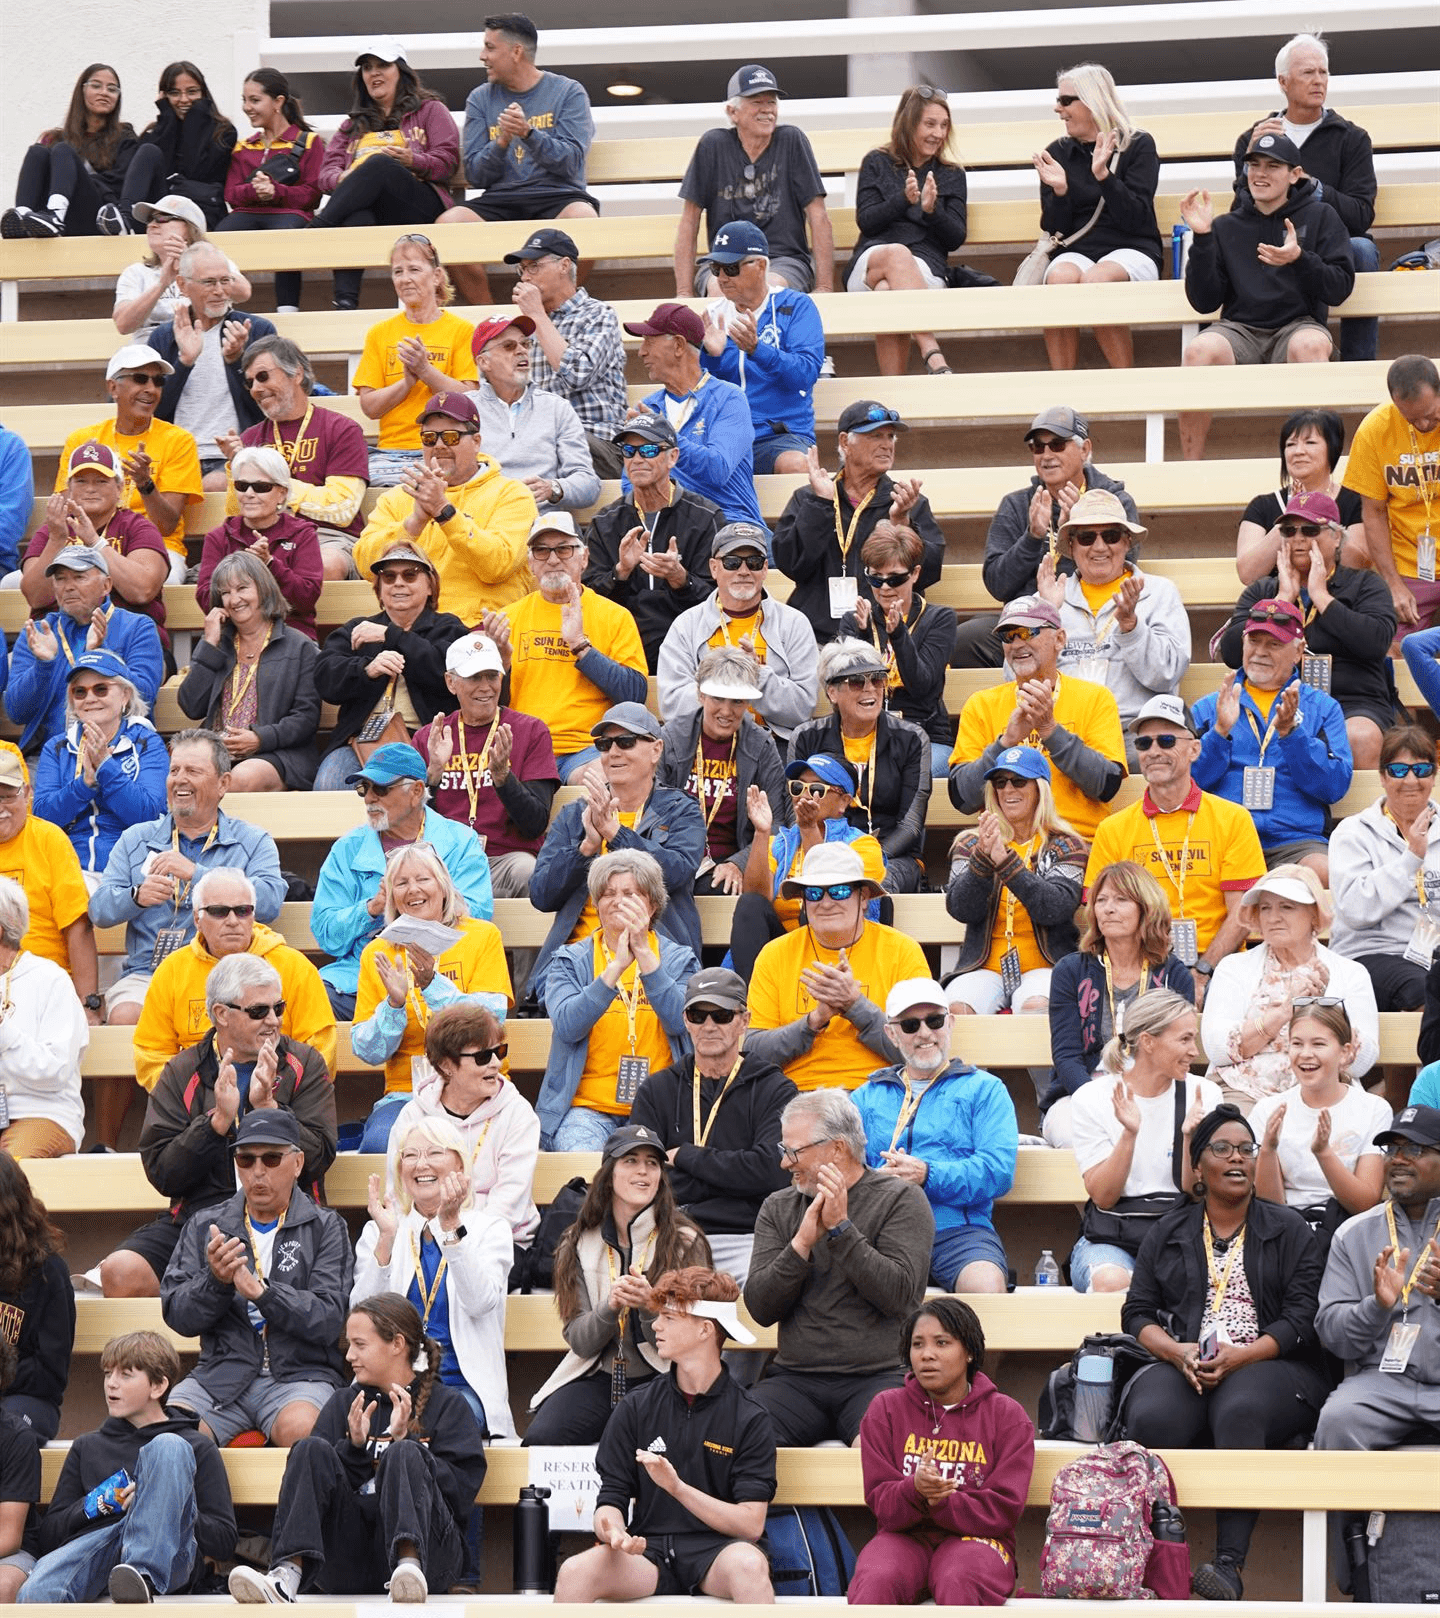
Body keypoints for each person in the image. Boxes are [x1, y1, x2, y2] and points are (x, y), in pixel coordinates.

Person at [1122, 1104, 1331, 1601]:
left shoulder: (1289, 1229)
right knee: (1152, 1415)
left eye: (1246, 1149)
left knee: (1240, 1408)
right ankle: (1157, 1557)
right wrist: (1176, 1352)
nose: (1237, 1158)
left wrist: (1242, 1355)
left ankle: (1228, 1565)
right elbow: (1136, 1313)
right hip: (1187, 1358)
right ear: (1198, 1167)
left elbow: (1303, 1320)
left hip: (1272, 1361)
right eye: (1221, 1149)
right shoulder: (1169, 1231)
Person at [101, 949, 337, 1302]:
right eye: (259, 1011)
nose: (273, 1020)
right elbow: (163, 1173)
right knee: (120, 1272)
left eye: (278, 1008)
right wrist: (216, 1124)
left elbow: (318, 1157)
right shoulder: (183, 1070)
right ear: (221, 1014)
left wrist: (269, 1108)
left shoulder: (303, 1063)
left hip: (288, 1215)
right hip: (202, 1216)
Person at [226, 1292, 485, 1603]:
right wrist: (354, 1448)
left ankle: (408, 1565)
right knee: (310, 1448)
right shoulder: (344, 1403)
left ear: (397, 1345)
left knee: (403, 1452)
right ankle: (286, 1576)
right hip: (352, 1560)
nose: (349, 1356)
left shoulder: (448, 1405)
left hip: (432, 1560)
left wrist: (409, 1444)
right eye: (349, 1345)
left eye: (360, 1345)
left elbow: (462, 1492)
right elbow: (320, 1489)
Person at [552, 1266, 776, 1606]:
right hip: (649, 1553)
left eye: (669, 1318)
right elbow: (611, 1499)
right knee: (575, 1571)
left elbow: (749, 1525)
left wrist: (677, 1488)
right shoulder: (637, 1406)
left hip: (719, 1553)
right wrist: (613, 1532)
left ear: (705, 1330)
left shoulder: (749, 1416)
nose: (655, 1325)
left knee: (749, 1565)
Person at [745, 1088, 933, 1444]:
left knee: (882, 1446)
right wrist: (800, 1245)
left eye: (794, 1151)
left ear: (837, 1149)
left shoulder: (901, 1199)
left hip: (879, 1376)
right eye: (783, 1150)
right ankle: (801, 1506)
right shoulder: (779, 1206)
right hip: (795, 1379)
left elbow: (901, 1299)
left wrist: (842, 1230)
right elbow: (760, 1308)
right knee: (740, 1438)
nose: (785, 1163)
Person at [161, 1108, 354, 1447]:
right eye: (246, 1160)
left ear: (297, 1164)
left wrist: (265, 1294)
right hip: (220, 1377)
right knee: (170, 1436)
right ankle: (213, 1504)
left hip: (299, 1378)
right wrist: (215, 1283)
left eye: (272, 1158)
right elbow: (177, 1313)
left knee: (303, 1432)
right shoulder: (207, 1224)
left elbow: (329, 1318)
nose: (258, 1171)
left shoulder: (326, 1227)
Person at [15, 1330, 235, 1605]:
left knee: (168, 1445)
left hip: (172, 1556)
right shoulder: (88, 1446)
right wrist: (96, 1503)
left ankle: (142, 1575)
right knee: (36, 1592)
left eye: (125, 1375)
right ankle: (134, 1579)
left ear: (158, 1387)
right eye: (108, 1374)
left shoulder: (195, 1445)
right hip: (101, 1549)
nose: (111, 1385)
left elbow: (224, 1540)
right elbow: (49, 1537)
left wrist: (163, 1502)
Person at [91, 728, 285, 1035]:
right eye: (174, 770)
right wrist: (136, 896)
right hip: (150, 972)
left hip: (226, 971)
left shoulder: (252, 840)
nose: (180, 779)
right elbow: (99, 910)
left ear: (223, 783)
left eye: (193, 771)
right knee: (126, 1016)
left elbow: (271, 902)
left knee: (234, 1016)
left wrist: (197, 875)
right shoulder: (135, 839)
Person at [526, 1124, 711, 1445]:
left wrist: (649, 1307)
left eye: (652, 1163)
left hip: (665, 1378)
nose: (643, 1171)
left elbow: (695, 1340)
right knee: (542, 1440)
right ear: (609, 1173)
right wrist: (610, 1306)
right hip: (598, 1376)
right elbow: (581, 1342)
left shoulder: (685, 1241)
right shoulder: (577, 1241)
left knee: (663, 1447)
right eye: (630, 1160)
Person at [849, 1297, 1034, 1607]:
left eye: (942, 1343)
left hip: (980, 1540)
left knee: (958, 1576)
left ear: (970, 1352)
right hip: (906, 1536)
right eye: (917, 1344)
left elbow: (1003, 1510)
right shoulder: (886, 1409)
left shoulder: (1007, 1416)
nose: (927, 1355)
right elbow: (882, 1503)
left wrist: (942, 1499)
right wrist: (915, 1489)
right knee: (877, 1578)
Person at [1178, 134, 1354, 461]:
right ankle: (1191, 466)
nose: (1261, 173)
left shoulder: (1321, 216)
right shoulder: (1226, 225)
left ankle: (1323, 467)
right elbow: (1203, 302)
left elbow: (1340, 288)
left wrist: (1299, 258)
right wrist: (1202, 239)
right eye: (1254, 165)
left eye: (1273, 166)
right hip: (1239, 330)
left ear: (1295, 174)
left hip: (1298, 326)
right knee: (1198, 350)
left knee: (1311, 346)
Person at [1083, 694, 1266, 989]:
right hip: (1140, 967)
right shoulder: (1111, 829)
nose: (1153, 751)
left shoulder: (1233, 818)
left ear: (1194, 749)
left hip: (1218, 965)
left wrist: (1203, 971)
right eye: (1144, 743)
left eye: (1166, 741)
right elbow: (1104, 917)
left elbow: (1243, 913)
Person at [630, 967, 795, 1283]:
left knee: (773, 1286)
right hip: (673, 1231)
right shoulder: (656, 1090)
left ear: (744, 1020)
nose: (708, 1025)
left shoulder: (775, 1089)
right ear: (686, 1020)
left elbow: (772, 1172)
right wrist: (734, 1177)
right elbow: (641, 1178)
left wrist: (685, 1158)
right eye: (697, 1015)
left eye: (721, 1015)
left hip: (749, 1236)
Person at [528, 703, 705, 997]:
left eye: (626, 741)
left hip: (655, 954)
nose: (613, 752)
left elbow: (677, 872)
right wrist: (585, 849)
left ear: (656, 749)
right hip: (581, 960)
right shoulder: (575, 816)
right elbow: (542, 896)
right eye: (604, 744)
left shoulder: (681, 810)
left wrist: (615, 833)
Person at [854, 981, 1017, 1294]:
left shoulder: (985, 1089)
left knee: (985, 1285)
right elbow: (846, 1170)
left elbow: (998, 1172)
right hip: (878, 1232)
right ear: (891, 1033)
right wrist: (876, 1182)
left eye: (935, 1021)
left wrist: (927, 1174)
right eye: (911, 1025)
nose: (924, 1033)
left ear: (950, 1023)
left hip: (957, 1231)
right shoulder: (865, 1097)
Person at [356, 1118, 515, 1436]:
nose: (421, 1164)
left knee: (430, 1425)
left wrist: (451, 1226)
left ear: (459, 1164)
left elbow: (481, 1302)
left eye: (434, 1152)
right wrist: (386, 1242)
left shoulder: (490, 1229)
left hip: (460, 1387)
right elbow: (359, 1318)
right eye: (410, 1155)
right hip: (391, 1383)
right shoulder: (381, 1228)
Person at [312, 742, 493, 1020]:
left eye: (380, 789)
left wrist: (426, 898)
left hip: (447, 973)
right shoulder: (347, 848)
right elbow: (325, 933)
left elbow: (477, 915)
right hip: (365, 976)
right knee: (313, 998)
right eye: (364, 789)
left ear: (416, 791)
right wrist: (372, 908)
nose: (369, 798)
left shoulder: (460, 842)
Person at [351, 842, 511, 1154]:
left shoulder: (481, 936)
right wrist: (393, 1007)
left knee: (476, 1148)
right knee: (379, 1147)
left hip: (476, 1087)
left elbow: (492, 1019)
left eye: (423, 879)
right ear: (393, 897)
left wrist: (432, 985)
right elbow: (366, 1050)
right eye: (401, 883)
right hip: (405, 1094)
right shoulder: (378, 952)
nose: (413, 890)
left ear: (443, 885)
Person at [1230, 33, 1379, 362]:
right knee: (1221, 246)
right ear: (1283, 82)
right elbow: (1239, 214)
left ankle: (1359, 365)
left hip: (1328, 239)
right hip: (1271, 237)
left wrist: (1314, 187)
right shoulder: (1254, 138)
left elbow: (1361, 215)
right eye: (1308, 73)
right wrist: (1250, 167)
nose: (1319, 81)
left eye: (1323, 72)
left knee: (1362, 249)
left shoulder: (1351, 138)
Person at [1221, 490, 1396, 770]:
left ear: (1337, 536)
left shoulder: (1365, 584)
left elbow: (1375, 642)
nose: (1298, 538)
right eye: (1289, 531)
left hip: (1353, 700)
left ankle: (1354, 816)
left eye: (1310, 529)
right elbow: (1230, 650)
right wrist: (1281, 601)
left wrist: (1321, 596)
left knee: (1359, 737)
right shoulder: (1265, 591)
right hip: (1275, 700)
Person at [954, 406, 1140, 667]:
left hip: (1091, 618)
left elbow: (1121, 568)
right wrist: (1031, 538)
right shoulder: (1018, 504)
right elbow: (998, 585)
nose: (1047, 455)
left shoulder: (1114, 500)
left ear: (1085, 449)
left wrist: (1077, 530)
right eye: (1038, 447)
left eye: (1057, 445)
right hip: (1026, 624)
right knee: (962, 639)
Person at [130, 867, 337, 1096]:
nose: (232, 921)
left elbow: (321, 1049)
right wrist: (193, 1097)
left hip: (278, 1099)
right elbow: (151, 1054)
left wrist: (275, 1093)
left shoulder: (294, 967)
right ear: (197, 920)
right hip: (196, 1103)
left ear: (253, 915)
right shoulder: (172, 971)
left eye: (242, 911)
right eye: (219, 911)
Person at [540, 850, 698, 1152]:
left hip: (661, 1108)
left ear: (652, 904)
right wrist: (614, 970)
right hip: (587, 1109)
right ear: (597, 905)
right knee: (582, 1172)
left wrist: (646, 958)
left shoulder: (679, 959)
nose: (617, 900)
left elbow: (682, 1022)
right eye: (608, 893)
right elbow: (567, 1026)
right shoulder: (569, 961)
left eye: (630, 893)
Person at [1068, 988, 1221, 1293]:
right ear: (1149, 1042)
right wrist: (1129, 1134)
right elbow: (1103, 1196)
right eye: (1185, 1039)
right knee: (1111, 1281)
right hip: (1111, 1238)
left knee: (1191, 1282)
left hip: (1181, 1235)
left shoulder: (1203, 1094)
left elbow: (1197, 1192)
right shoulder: (1093, 1097)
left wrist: (1190, 1137)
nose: (1195, 1051)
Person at [439, 13, 599, 305]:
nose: (482, 56)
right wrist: (501, 141)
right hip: (502, 200)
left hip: (556, 196)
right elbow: (476, 174)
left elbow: (572, 162)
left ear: (516, 52)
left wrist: (528, 134)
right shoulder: (480, 98)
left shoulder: (568, 92)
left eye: (489, 47)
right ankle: (490, 319)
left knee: (585, 220)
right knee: (449, 223)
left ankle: (561, 309)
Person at [1191, 597, 1353, 884]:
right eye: (1254, 641)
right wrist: (1219, 733)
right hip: (1225, 838)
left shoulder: (1323, 708)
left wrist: (1293, 735)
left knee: (1325, 873)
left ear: (1298, 651)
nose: (1260, 652)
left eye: (1274, 644)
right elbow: (1188, 782)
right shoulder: (1210, 707)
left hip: (1294, 841)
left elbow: (1334, 786)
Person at [747, 843, 928, 1093]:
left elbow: (921, 1050)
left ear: (863, 897)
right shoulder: (774, 955)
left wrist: (855, 1006)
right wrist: (814, 1021)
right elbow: (753, 1053)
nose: (826, 902)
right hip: (796, 1095)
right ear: (803, 901)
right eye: (814, 893)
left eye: (840, 891)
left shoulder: (902, 951)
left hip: (878, 1092)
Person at [1313, 1103, 1440, 1455]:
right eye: (1393, 1149)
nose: (1398, 1159)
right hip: (1382, 1382)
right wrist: (1376, 1307)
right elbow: (1332, 1336)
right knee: (1338, 1421)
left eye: (1414, 1149)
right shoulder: (1352, 1233)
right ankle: (1350, 1514)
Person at [1201, 863, 1379, 1111]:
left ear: (1315, 915)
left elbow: (1362, 1063)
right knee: (1233, 1134)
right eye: (1265, 908)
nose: (1273, 918)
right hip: (1242, 1091)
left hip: (1323, 1092)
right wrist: (1284, 1012)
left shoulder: (1350, 973)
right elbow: (1217, 1049)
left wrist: (1324, 1009)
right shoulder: (1233, 967)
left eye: (1287, 907)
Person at [948, 595, 1126, 844]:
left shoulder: (1095, 698)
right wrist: (1006, 742)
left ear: (1060, 639)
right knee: (963, 854)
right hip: (1003, 843)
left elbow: (1105, 785)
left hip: (1073, 841)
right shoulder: (981, 704)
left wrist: (1050, 731)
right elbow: (963, 798)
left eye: (1027, 631)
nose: (1017, 643)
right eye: (1008, 636)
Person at [1044, 860, 1195, 1149]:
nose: (1107, 908)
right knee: (1079, 1137)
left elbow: (1177, 1050)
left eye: (1121, 900)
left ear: (1146, 908)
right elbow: (1066, 1056)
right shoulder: (1071, 970)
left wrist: (1142, 1097)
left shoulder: (1174, 974)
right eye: (1101, 900)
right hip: (1081, 1094)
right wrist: (1097, 1102)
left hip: (1153, 1091)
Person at [352, 391, 537, 621]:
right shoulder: (398, 497)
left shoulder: (511, 494)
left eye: (451, 437)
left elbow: (497, 566)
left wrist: (444, 512)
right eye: (429, 437)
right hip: (411, 628)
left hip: (479, 628)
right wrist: (414, 523)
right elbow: (365, 565)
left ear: (476, 441)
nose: (439, 445)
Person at [411, 631, 559, 914]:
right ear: (451, 682)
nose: (486, 687)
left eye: (492, 676)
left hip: (504, 860)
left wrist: (503, 779)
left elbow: (536, 823)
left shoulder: (530, 730)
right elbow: (411, 824)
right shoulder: (430, 737)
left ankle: (538, 961)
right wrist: (434, 775)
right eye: (474, 677)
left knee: (529, 872)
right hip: (444, 863)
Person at [773, 400, 945, 641]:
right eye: (876, 436)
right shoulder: (810, 498)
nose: (887, 445)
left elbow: (928, 573)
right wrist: (821, 505)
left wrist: (901, 523)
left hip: (885, 636)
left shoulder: (906, 501)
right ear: (845, 442)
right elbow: (791, 564)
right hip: (817, 637)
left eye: (890, 437)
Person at [312, 41, 461, 311]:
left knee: (379, 164)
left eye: (382, 65)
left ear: (401, 71)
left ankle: (317, 229)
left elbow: (448, 162)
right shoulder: (351, 125)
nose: (374, 73)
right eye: (367, 68)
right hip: (372, 209)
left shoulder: (430, 110)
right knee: (357, 216)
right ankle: (345, 302)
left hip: (419, 203)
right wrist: (342, 179)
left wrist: (411, 159)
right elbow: (325, 175)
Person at [1032, 63, 1161, 371]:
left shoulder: (1137, 144)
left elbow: (1137, 219)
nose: (1057, 109)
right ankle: (1062, 392)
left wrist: (1104, 176)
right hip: (1078, 250)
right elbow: (1055, 230)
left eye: (1065, 101)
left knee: (1096, 279)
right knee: (1060, 278)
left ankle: (1125, 381)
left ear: (1091, 102)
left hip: (1133, 247)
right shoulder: (1057, 152)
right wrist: (1060, 192)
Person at [385, 1002, 541, 1254]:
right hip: (425, 1240)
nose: (495, 1064)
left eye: (499, 1051)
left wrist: (457, 1240)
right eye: (482, 1057)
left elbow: (507, 1205)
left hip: (498, 1242)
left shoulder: (517, 1113)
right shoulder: (413, 1116)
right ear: (446, 1065)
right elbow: (398, 1193)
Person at [1040, 490, 1189, 753]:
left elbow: (1166, 675)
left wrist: (1132, 627)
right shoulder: (1048, 598)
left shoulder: (1160, 592)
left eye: (1110, 536)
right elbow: (1017, 680)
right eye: (1087, 537)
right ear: (1072, 546)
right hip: (1064, 731)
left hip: (1134, 733)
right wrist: (1045, 622)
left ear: (1127, 542)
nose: (1099, 547)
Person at [943, 746, 1086, 1021]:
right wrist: (983, 861)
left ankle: (1050, 1067)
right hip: (984, 967)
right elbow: (961, 909)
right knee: (956, 1010)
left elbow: (1055, 908)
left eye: (1019, 781)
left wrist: (1007, 864)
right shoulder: (971, 843)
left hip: (1047, 965)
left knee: (1037, 1008)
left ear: (1039, 789)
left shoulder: (1067, 844)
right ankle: (975, 1067)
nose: (1008, 789)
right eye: (1000, 782)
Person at [314, 543, 469, 792]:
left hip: (426, 742)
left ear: (430, 586)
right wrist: (367, 669)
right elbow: (325, 677)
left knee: (417, 793)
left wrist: (392, 636)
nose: (398, 583)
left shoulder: (449, 628)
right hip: (362, 741)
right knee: (329, 784)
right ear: (379, 588)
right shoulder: (358, 628)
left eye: (410, 575)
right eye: (389, 576)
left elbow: (446, 673)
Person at [501, 518, 648, 780]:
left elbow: (634, 693)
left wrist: (581, 646)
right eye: (542, 550)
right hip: (520, 750)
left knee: (604, 779)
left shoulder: (614, 616)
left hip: (585, 750)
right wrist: (501, 664)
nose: (553, 559)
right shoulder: (506, 619)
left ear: (584, 558)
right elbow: (484, 703)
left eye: (564, 549)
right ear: (531, 563)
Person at [676, 63, 833, 298]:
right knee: (720, 290)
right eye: (757, 102)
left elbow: (818, 215)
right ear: (732, 112)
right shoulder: (713, 144)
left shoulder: (792, 140)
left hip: (782, 261)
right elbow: (690, 219)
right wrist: (684, 293)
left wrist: (824, 287)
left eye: (771, 102)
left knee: (766, 289)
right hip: (725, 260)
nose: (767, 110)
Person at [584, 414, 725, 672]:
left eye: (648, 450)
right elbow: (587, 600)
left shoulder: (706, 517)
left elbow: (722, 601)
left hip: (689, 647)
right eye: (629, 451)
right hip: (622, 648)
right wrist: (620, 574)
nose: (637, 459)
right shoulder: (605, 521)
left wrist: (681, 580)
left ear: (672, 457)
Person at [656, 521, 819, 744]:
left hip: (772, 742)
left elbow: (802, 708)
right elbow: (672, 705)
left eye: (753, 562)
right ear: (714, 568)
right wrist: (726, 686)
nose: (743, 571)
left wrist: (758, 675)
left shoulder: (794, 624)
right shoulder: (687, 625)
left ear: (764, 569)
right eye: (732, 563)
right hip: (703, 744)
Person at [226, 335, 371, 581]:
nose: (256, 389)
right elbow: (235, 515)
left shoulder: (341, 429)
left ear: (297, 374)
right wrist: (234, 467)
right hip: (264, 538)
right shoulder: (250, 437)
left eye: (263, 376)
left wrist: (273, 489)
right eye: (249, 382)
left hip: (327, 538)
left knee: (322, 565)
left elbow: (342, 508)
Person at [792, 638, 930, 893]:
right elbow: (795, 810)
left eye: (877, 679)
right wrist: (828, 854)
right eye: (856, 682)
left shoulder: (911, 738)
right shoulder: (806, 737)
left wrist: (864, 857)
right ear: (832, 692)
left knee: (875, 883)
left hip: (892, 853)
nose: (870, 689)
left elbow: (910, 825)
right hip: (820, 846)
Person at [848, 85, 969, 377]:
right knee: (895, 255)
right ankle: (930, 349)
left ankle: (894, 391)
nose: (938, 133)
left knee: (887, 292)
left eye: (944, 125)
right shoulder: (876, 162)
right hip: (871, 263)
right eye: (930, 124)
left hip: (926, 272)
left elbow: (955, 238)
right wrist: (903, 199)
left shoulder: (952, 174)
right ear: (909, 122)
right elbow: (867, 221)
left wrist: (931, 210)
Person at [732, 754, 886, 981]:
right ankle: (751, 1000)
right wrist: (762, 832)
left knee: (814, 899)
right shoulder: (781, 842)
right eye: (797, 787)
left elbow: (829, 894)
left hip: (838, 945)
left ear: (843, 802)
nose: (804, 794)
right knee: (749, 905)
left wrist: (809, 829)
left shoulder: (863, 845)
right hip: (781, 946)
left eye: (816, 788)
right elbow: (756, 896)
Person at [178, 548, 322, 791]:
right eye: (225, 593)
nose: (234, 600)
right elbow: (191, 706)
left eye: (242, 588)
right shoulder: (218, 645)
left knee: (237, 780)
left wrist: (259, 739)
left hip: (278, 754)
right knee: (177, 776)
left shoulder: (300, 646)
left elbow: (305, 719)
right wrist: (209, 643)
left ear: (263, 589)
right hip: (217, 752)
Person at [657, 647, 789, 898]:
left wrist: (739, 863)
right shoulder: (672, 738)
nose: (727, 711)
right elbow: (652, 813)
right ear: (700, 695)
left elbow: (777, 824)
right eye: (718, 698)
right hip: (676, 852)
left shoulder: (761, 745)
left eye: (737, 701)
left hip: (734, 856)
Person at [56, 344, 203, 569]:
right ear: (113, 387)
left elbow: (166, 526)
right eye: (140, 379)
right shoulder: (82, 440)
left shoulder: (178, 440)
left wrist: (145, 484)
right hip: (87, 542)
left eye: (158, 381)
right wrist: (87, 470)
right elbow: (70, 514)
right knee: (13, 582)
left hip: (154, 546)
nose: (151, 389)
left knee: (163, 578)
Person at [1328, 722, 1440, 1017]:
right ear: (1381, 776)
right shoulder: (1353, 832)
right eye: (1399, 770)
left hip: (1433, 953)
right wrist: (1410, 858)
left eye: (1422, 770)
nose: (1411, 780)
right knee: (1424, 988)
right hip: (1370, 953)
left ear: (1434, 775)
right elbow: (1355, 911)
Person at [4, 546, 163, 754]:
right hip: (51, 755)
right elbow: (16, 712)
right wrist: (43, 666)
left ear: (106, 585)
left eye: (79, 577)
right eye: (60, 579)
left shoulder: (137, 627)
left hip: (120, 750)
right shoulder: (37, 632)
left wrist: (101, 654)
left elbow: (144, 697)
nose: (68, 587)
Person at [1249, 1001, 1392, 1225]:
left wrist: (1323, 1153)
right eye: (1297, 1044)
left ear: (1345, 1053)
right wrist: (1268, 1149)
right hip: (1288, 1230)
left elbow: (1365, 1203)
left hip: (1346, 1228)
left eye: (1318, 1044)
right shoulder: (1267, 1110)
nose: (1305, 1054)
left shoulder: (1374, 1109)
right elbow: (1271, 1209)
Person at [32, 650, 168, 886]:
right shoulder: (57, 747)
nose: (90, 698)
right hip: (70, 868)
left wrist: (105, 766)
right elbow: (43, 818)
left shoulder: (147, 742)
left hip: (133, 868)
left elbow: (149, 816)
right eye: (80, 691)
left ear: (125, 695)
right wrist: (85, 784)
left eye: (101, 689)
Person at [699, 221, 824, 475]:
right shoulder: (711, 317)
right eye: (716, 268)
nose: (722, 277)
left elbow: (805, 375)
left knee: (797, 466)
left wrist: (758, 350)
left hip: (779, 436)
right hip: (725, 437)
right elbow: (698, 394)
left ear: (761, 266)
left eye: (731, 268)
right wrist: (712, 359)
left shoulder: (796, 306)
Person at [148, 246, 278, 487]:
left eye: (225, 281)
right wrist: (185, 362)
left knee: (216, 484)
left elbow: (270, 407)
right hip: (177, 456)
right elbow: (155, 410)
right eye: (209, 282)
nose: (219, 291)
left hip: (238, 453)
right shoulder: (163, 337)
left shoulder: (258, 330)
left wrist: (237, 361)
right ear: (182, 285)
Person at [351, 236, 477, 485]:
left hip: (447, 449)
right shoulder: (380, 333)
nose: (405, 278)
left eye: (414, 269)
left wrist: (425, 370)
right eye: (398, 271)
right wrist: (407, 383)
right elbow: (370, 407)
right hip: (389, 453)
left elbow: (470, 400)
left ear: (437, 276)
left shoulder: (461, 330)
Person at [624, 303, 763, 528]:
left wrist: (664, 437)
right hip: (667, 528)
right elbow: (629, 483)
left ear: (679, 345)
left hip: (730, 526)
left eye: (649, 341)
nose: (641, 351)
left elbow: (717, 470)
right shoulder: (649, 406)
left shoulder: (729, 398)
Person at [21, 441, 169, 650]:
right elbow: (35, 597)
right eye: (81, 481)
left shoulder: (138, 527)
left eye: (101, 481)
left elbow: (142, 590)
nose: (90, 489)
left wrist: (95, 542)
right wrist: (56, 541)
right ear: (69, 489)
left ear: (119, 488)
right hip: (60, 643)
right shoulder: (52, 529)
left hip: (128, 642)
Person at [504, 228, 628, 474]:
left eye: (533, 267)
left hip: (597, 442)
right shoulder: (527, 327)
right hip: (541, 442)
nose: (525, 278)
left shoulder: (599, 314)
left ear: (564, 265)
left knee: (549, 444)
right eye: (522, 270)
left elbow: (578, 374)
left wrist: (537, 315)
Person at [838, 522, 956, 778]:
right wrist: (862, 638)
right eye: (875, 579)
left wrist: (899, 635)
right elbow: (846, 693)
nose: (885, 588)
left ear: (915, 574)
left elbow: (922, 687)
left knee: (896, 774)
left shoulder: (939, 618)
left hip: (924, 734)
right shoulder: (856, 621)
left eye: (895, 578)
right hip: (864, 736)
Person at [0, 753, 100, 1039]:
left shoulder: (49, 840)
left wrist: (88, 1005)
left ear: (28, 794)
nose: (1, 807)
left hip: (42, 985)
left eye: (8, 796)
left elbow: (77, 926)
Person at [0, 854, 89, 1166]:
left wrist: (2, 1030)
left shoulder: (49, 978)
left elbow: (54, 1073)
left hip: (42, 1112)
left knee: (5, 1169)